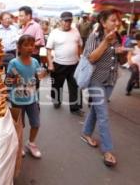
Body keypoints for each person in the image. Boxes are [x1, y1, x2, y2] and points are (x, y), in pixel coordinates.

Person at [81, 9, 124, 167]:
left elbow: (117, 57)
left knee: (97, 110)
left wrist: (121, 52)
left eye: (117, 20)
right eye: (113, 20)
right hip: (96, 81)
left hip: (110, 80)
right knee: (104, 115)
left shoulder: (117, 37)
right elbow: (91, 57)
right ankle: (108, 151)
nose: (117, 23)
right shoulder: (95, 36)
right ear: (103, 22)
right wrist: (106, 42)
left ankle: (86, 133)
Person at [5, 34, 47, 158]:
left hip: (32, 98)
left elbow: (38, 76)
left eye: (32, 45)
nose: (29, 48)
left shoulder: (34, 62)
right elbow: (7, 81)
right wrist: (14, 81)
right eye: (26, 45)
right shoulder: (13, 63)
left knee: (36, 123)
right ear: (19, 47)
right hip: (17, 99)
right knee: (20, 125)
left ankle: (31, 143)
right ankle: (19, 144)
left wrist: (43, 73)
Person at [46, 11, 84, 116]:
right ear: (60, 21)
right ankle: (56, 101)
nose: (67, 23)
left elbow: (80, 45)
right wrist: (50, 64)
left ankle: (75, 108)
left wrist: (80, 58)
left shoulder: (75, 31)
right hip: (59, 64)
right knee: (57, 85)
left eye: (69, 21)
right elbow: (48, 50)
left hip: (74, 64)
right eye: (65, 21)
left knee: (75, 86)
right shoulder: (54, 33)